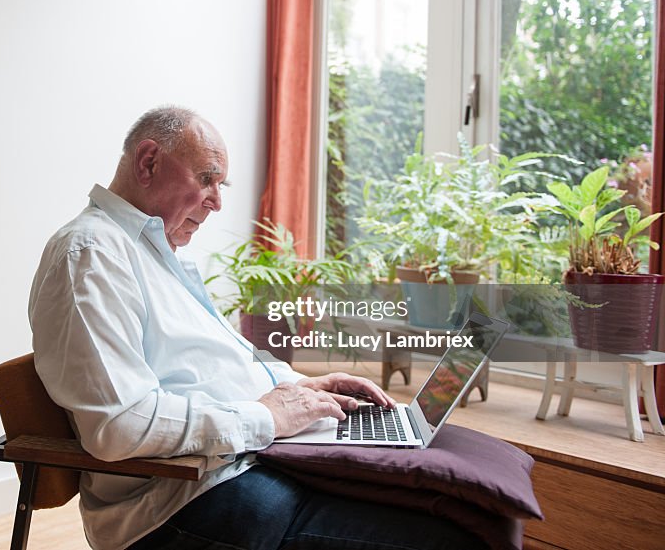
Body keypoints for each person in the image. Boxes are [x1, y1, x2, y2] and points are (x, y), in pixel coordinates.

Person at [28, 106, 481, 550]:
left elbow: (225, 362)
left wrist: (305, 388)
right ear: (149, 162)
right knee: (454, 535)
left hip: (248, 468)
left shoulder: (157, 254)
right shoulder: (91, 254)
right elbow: (119, 424)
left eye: (220, 184)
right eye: (206, 178)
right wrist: (268, 417)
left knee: (461, 497)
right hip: (185, 503)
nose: (217, 201)